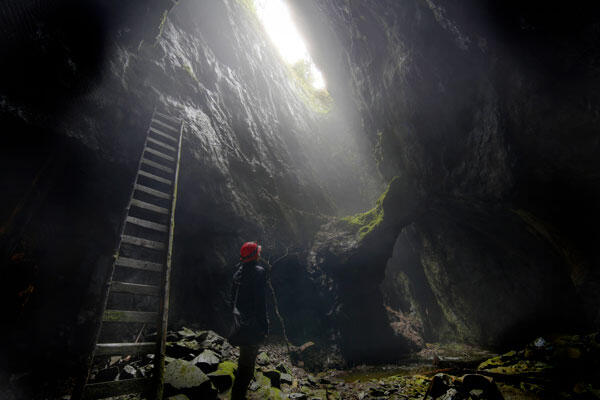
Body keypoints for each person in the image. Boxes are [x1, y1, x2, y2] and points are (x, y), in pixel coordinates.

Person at [229, 241, 269, 400]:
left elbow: (231, 300)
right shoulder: (259, 273)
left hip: (240, 323)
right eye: (258, 252)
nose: (260, 254)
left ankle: (238, 394)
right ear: (255, 255)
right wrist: (264, 326)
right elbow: (260, 303)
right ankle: (237, 396)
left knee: (244, 360)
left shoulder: (237, 273)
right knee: (247, 366)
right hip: (251, 325)